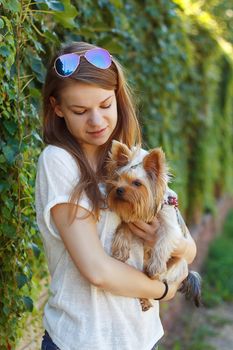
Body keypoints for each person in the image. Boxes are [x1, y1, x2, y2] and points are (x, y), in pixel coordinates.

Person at [35, 41, 197, 350]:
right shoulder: (59, 162)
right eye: (80, 111)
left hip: (142, 337)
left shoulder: (138, 159)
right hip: (82, 339)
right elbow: (97, 270)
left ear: (118, 99)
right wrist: (163, 289)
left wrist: (160, 240)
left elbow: (188, 249)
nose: (96, 122)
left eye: (105, 105)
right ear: (57, 107)